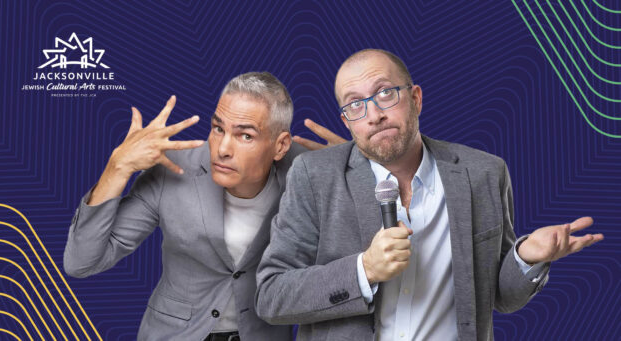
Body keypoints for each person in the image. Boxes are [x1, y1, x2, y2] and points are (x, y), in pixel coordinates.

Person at [255, 49, 604, 340]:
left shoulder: (483, 173)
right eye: (355, 105)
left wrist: (527, 257)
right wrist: (365, 270)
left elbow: (498, 296)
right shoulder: (314, 176)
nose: (374, 115)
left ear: (416, 98)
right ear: (347, 122)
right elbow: (271, 296)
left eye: (385, 93)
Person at [63, 72, 338, 340]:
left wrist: (362, 171)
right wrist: (117, 167)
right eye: (218, 128)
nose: (222, 149)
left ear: (280, 146)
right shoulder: (173, 169)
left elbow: (347, 263)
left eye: (245, 136)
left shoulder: (306, 173)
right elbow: (82, 263)